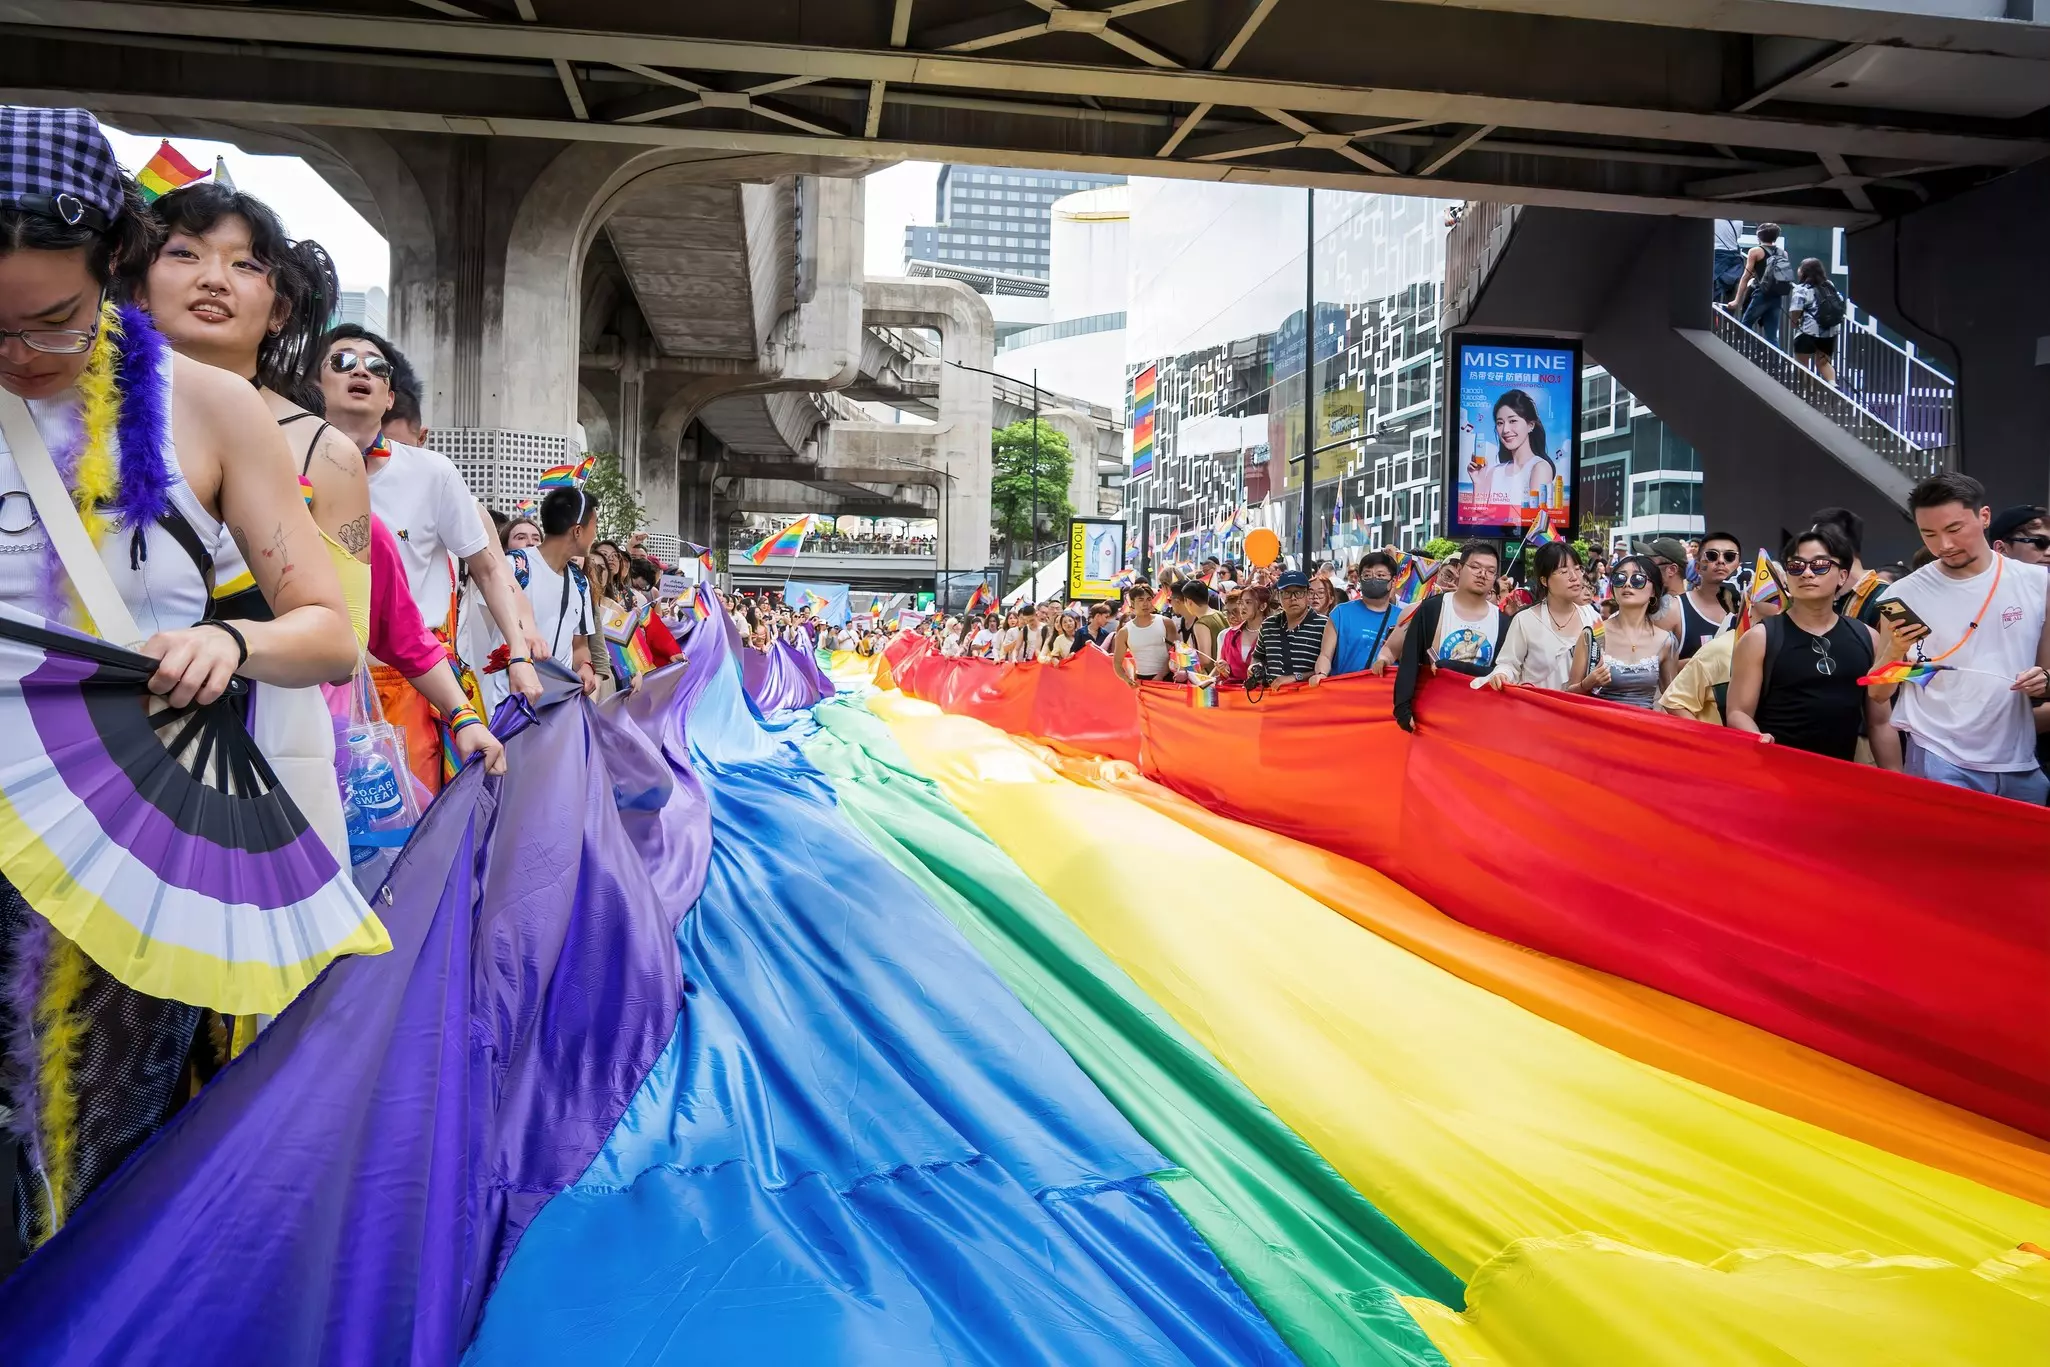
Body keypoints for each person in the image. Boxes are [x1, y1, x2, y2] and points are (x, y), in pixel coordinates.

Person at [0, 106, 362, 1242]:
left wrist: (228, 643)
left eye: (53, 322)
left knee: (100, 1154)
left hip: (126, 833)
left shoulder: (209, 404)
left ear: (113, 268)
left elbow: (329, 628)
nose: (18, 355)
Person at [134, 180, 376, 859]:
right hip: (90, 737)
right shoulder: (81, 418)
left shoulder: (325, 453)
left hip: (257, 748)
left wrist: (234, 643)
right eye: (184, 253)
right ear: (135, 281)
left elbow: (344, 641)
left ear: (279, 309)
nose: (214, 279)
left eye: (245, 264)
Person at [318, 324, 541, 793]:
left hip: (415, 686)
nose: (360, 369)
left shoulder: (431, 472)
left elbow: (488, 568)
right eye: (341, 361)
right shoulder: (285, 468)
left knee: (413, 833)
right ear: (315, 385)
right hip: (314, 683)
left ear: (388, 397)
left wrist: (518, 652)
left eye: (375, 367)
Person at [1869, 472, 2049, 802]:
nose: (1944, 545)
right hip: (1940, 757)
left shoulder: (2037, 582)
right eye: (1929, 534)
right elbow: (1880, 693)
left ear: (1984, 517)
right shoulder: (1905, 593)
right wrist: (1894, 652)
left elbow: (2047, 670)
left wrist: (2044, 679)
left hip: (2020, 762)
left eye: (1954, 529)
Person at [1726, 526, 1887, 761]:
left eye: (1820, 565)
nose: (1807, 573)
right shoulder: (1760, 638)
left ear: (1842, 576)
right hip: (1775, 774)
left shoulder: (1868, 637)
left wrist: (1895, 776)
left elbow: (1880, 723)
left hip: (1840, 776)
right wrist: (1758, 740)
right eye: (1796, 566)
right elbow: (1738, 712)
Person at [489, 486, 600, 704]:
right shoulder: (516, 566)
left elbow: (580, 645)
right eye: (594, 525)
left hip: (556, 707)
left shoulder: (579, 581)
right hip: (508, 702)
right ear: (578, 531)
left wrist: (585, 665)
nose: (595, 534)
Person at [1392, 541, 1508, 730]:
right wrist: (1402, 708)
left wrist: (1452, 666)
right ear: (1460, 569)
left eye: (1490, 570)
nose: (1482, 574)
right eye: (1475, 567)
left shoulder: (1503, 622)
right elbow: (1410, 660)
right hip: (1432, 715)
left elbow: (1502, 671)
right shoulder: (1432, 609)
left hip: (1481, 718)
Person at [1480, 542, 1602, 693]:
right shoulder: (1525, 620)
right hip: (1536, 710)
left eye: (1578, 569)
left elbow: (1603, 661)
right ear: (1544, 580)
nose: (1574, 577)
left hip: (1579, 711)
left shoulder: (1593, 617)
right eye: (1563, 571)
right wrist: (1501, 674)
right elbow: (1509, 664)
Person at [1661, 592, 1784, 727]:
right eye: (1773, 595)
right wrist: (1709, 740)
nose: (1786, 595)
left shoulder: (1796, 647)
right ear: (1751, 602)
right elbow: (1674, 701)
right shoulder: (1720, 649)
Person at [1591, 552, 1677, 708]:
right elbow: (1569, 695)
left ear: (1653, 592)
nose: (1627, 584)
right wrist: (1587, 683)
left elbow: (1673, 701)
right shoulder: (1593, 634)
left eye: (1637, 579)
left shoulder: (1666, 641)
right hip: (1600, 728)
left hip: (1643, 729)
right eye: (1619, 578)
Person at [1658, 530, 1739, 661]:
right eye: (1712, 555)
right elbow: (1654, 669)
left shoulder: (1748, 611)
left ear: (1738, 565)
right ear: (1697, 566)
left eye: (1729, 557)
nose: (1721, 561)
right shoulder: (1675, 609)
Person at [1481, 389, 1557, 515]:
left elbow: (1535, 524)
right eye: (1500, 423)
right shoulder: (1494, 472)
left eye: (1513, 421)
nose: (1505, 430)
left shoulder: (1540, 467)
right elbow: (1476, 521)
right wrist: (1478, 482)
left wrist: (1494, 516)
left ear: (1530, 425)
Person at [1256, 569, 1335, 686]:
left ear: (1308, 594)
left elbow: (1328, 668)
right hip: (1272, 699)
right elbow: (1258, 657)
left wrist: (1296, 677)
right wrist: (1254, 668)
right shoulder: (1268, 625)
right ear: (1278, 596)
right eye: (1287, 593)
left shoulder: (1325, 625)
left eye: (1298, 592)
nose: (1293, 598)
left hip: (1309, 698)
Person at [1329, 550, 1400, 677]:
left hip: (1387, 692)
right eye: (1367, 575)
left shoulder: (1404, 618)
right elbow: (1325, 656)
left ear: (1393, 581)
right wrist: (1321, 674)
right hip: (1346, 691)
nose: (1373, 580)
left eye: (1380, 576)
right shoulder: (1340, 613)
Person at [1731, 221, 1794, 347]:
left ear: (1759, 236)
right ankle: (1776, 364)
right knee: (1771, 335)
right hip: (1776, 296)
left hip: (1760, 294)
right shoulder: (1783, 253)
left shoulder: (1755, 251)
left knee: (1744, 326)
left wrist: (1737, 300)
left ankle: (1746, 352)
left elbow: (1745, 276)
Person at [1787, 257, 1845, 386]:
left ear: (1803, 272)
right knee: (1823, 362)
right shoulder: (1829, 285)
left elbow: (1796, 309)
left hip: (1809, 332)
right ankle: (1833, 386)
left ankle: (1807, 390)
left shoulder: (1802, 288)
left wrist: (1794, 322)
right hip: (1830, 331)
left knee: (1801, 364)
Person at [1111, 583, 1175, 685]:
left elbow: (1174, 654)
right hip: (1142, 680)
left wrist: (1161, 674)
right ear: (1132, 602)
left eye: (1149, 599)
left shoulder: (1166, 623)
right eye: (1141, 600)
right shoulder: (1124, 631)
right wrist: (1127, 679)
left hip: (1169, 678)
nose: (1145, 604)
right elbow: (1117, 663)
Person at [1170, 579, 1228, 673]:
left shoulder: (1201, 624)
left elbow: (1205, 659)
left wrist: (1183, 668)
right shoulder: (1219, 614)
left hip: (1212, 677)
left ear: (1189, 602)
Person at [1214, 586, 1264, 686]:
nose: (1231, 617)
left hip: (1262, 694)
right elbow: (1220, 669)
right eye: (1227, 612)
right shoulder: (1225, 635)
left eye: (1235, 611)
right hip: (1234, 694)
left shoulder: (1269, 633)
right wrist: (1223, 668)